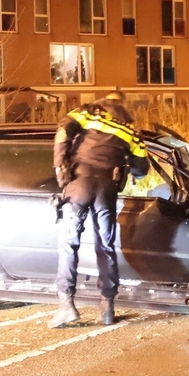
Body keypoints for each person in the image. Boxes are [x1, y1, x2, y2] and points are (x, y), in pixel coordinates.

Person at [50, 91, 149, 327]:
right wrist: (124, 162)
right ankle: (107, 307)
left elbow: (63, 130)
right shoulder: (131, 131)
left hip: (79, 184)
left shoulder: (88, 112)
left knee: (68, 243)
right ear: (123, 107)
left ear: (104, 101)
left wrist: (60, 165)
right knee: (105, 246)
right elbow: (142, 169)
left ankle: (66, 304)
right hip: (106, 190)